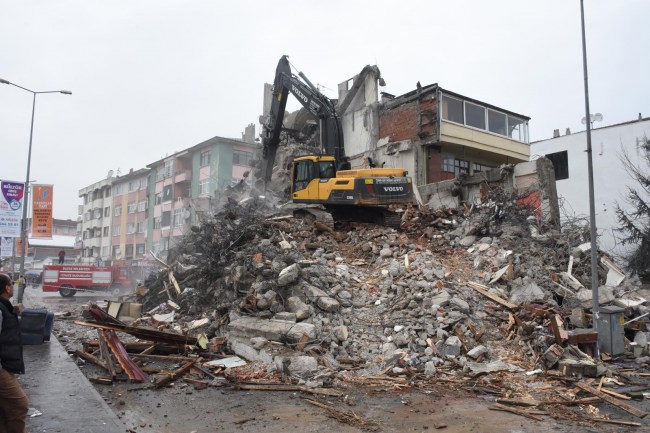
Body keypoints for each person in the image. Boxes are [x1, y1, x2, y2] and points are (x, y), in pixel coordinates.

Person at [0, 272, 28, 432]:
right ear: (6, 287)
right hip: (1, 368)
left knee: (4, 409)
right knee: (19, 405)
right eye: (11, 283)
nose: (13, 286)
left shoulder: (4, 306)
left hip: (6, 365)